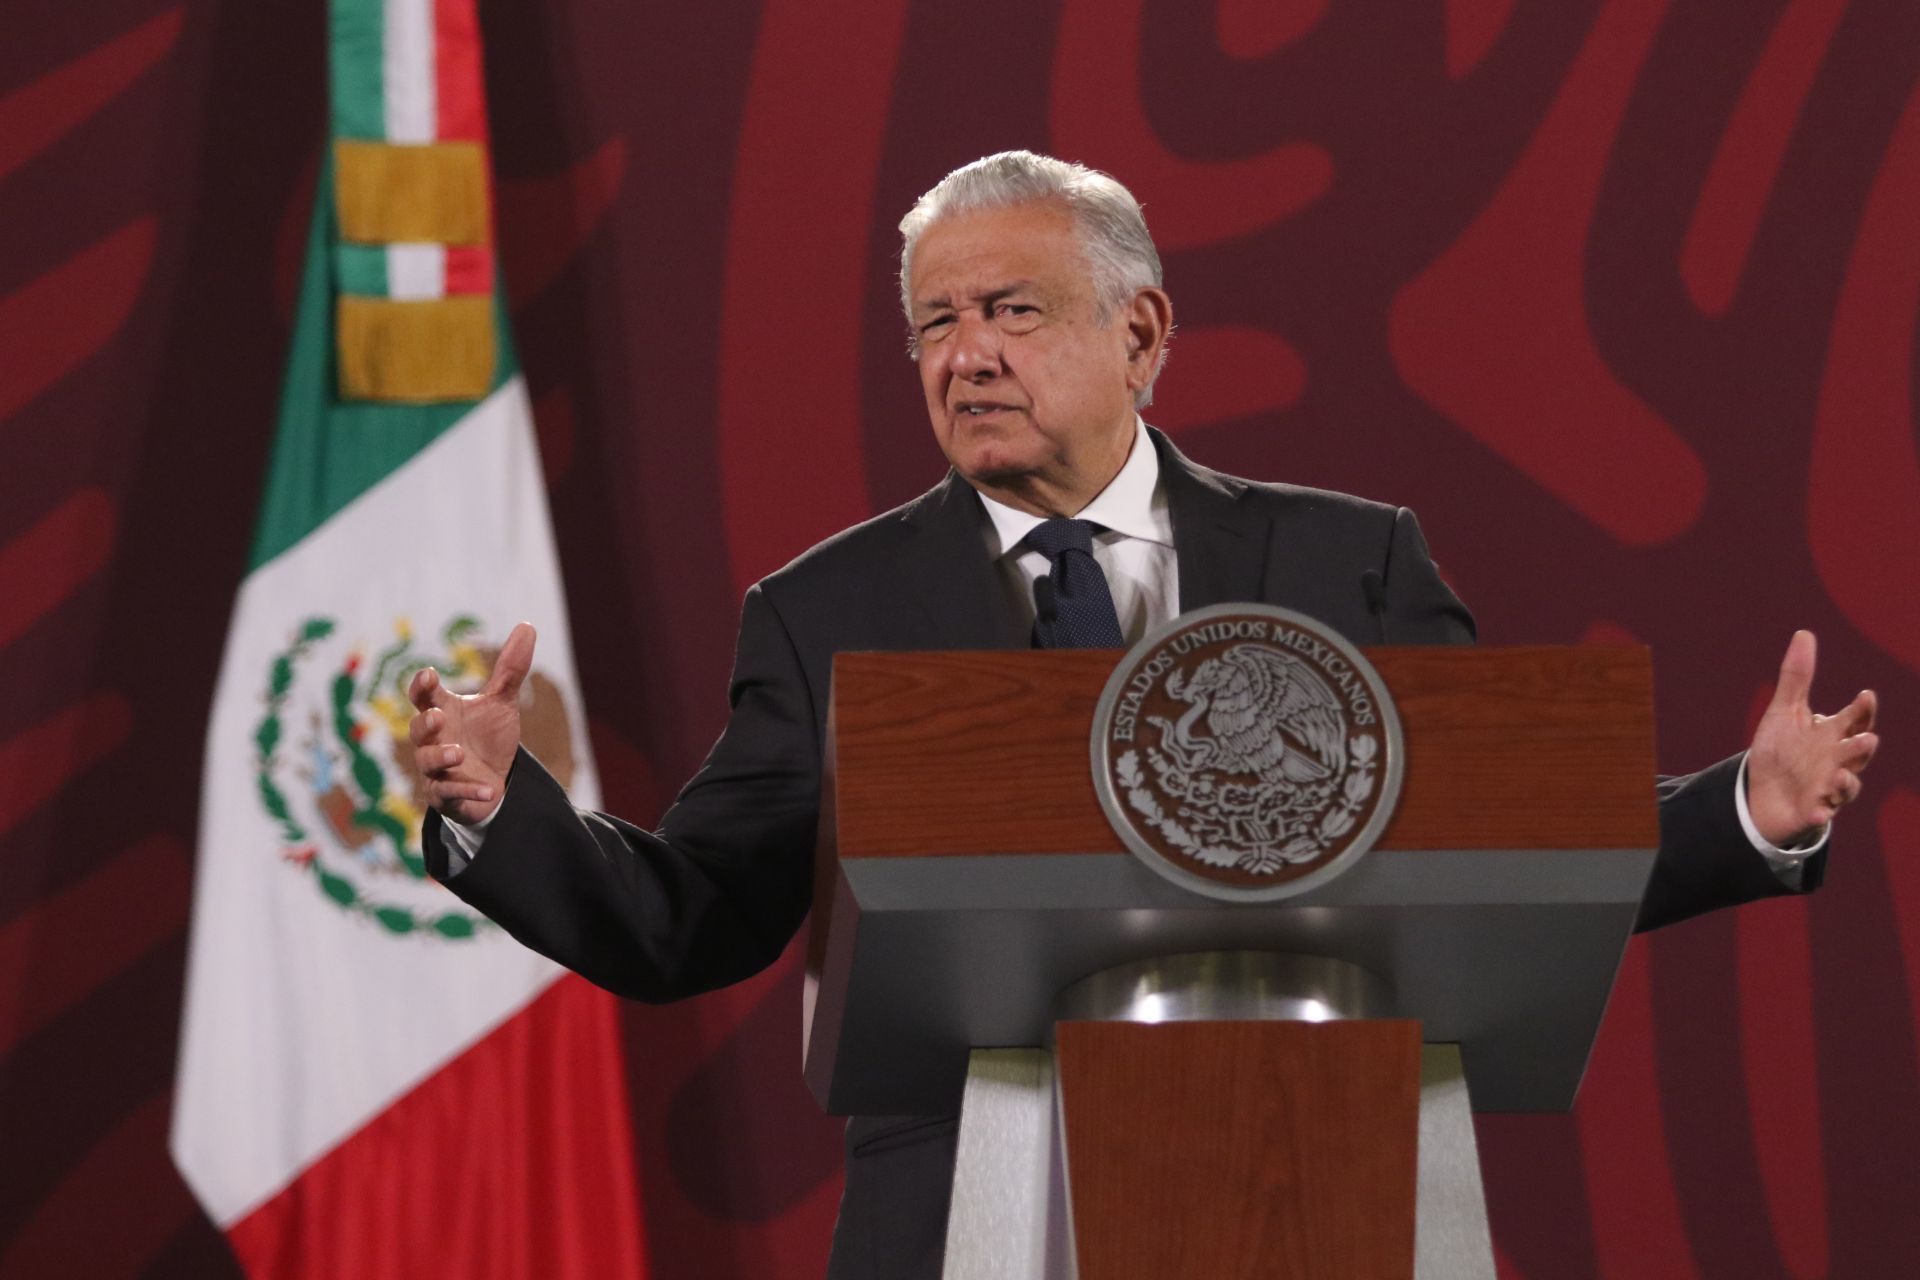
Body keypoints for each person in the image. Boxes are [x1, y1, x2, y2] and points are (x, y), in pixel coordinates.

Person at [407, 152, 1880, 1280]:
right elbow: (693, 918)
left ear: (1142, 330)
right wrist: (500, 812)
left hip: (1319, 1175)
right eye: (934, 323)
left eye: (1012, 311)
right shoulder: (827, 607)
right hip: (964, 1212)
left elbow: (1501, 840)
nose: (965, 356)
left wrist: (1744, 814)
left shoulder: (1347, 562)